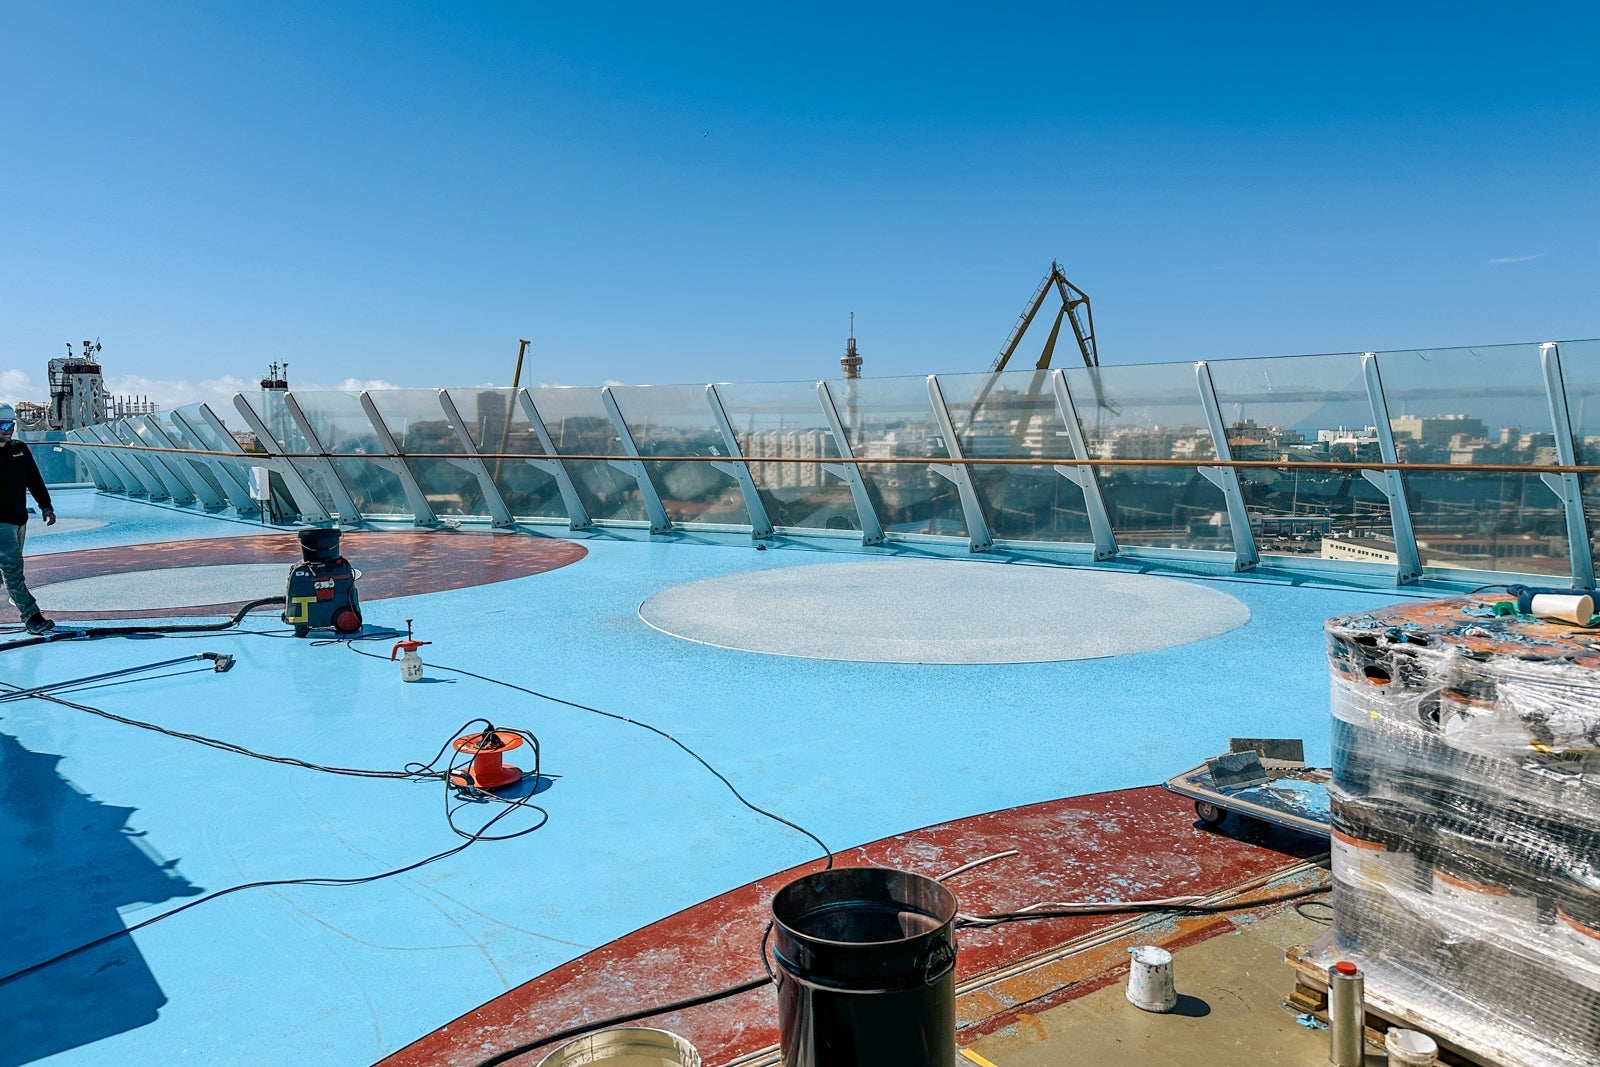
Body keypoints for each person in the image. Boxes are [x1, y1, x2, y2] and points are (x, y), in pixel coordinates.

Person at [0, 404, 56, 633]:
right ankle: (31, 616)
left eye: (11, 425)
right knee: (12, 569)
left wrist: (46, 506)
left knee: (4, 571)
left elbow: (34, 479)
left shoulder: (19, 449)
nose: (9, 429)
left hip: (19, 520)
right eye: (4, 425)